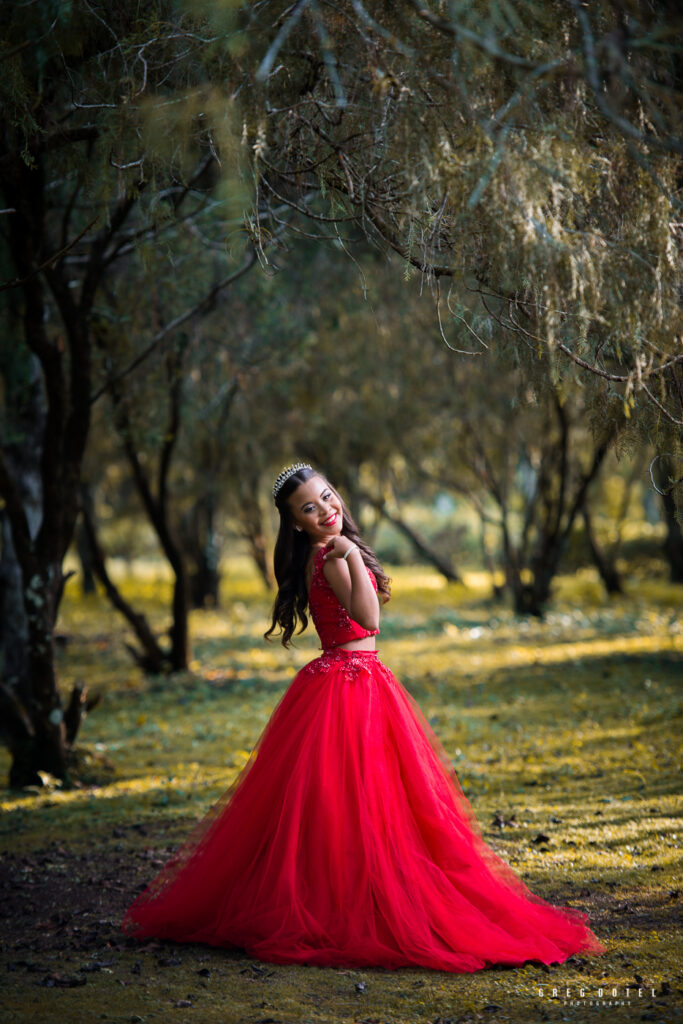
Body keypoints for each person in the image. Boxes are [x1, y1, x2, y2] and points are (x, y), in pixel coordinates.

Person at [121, 462, 606, 971]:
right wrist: (351, 554)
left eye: (329, 497)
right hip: (349, 684)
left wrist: (352, 555)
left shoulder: (327, 552)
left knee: (360, 798)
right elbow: (368, 619)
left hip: (349, 677)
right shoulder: (331, 556)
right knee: (356, 798)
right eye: (310, 508)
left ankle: (350, 890)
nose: (327, 510)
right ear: (296, 523)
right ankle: (352, 900)